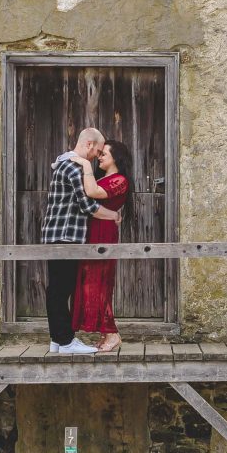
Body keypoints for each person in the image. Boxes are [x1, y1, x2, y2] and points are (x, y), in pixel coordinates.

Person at [40, 126, 105, 354]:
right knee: (60, 289)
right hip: (65, 236)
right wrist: (113, 214)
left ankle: (58, 339)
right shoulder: (74, 167)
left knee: (58, 288)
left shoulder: (65, 163)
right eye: (97, 151)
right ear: (89, 145)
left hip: (58, 234)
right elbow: (87, 205)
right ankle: (66, 341)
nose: (97, 157)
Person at [74, 140, 131, 351]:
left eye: (104, 154)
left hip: (104, 234)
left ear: (116, 157)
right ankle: (105, 333)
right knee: (90, 283)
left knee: (100, 283)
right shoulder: (104, 178)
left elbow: (93, 193)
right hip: (91, 232)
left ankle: (112, 334)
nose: (99, 157)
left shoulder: (120, 180)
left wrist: (84, 164)